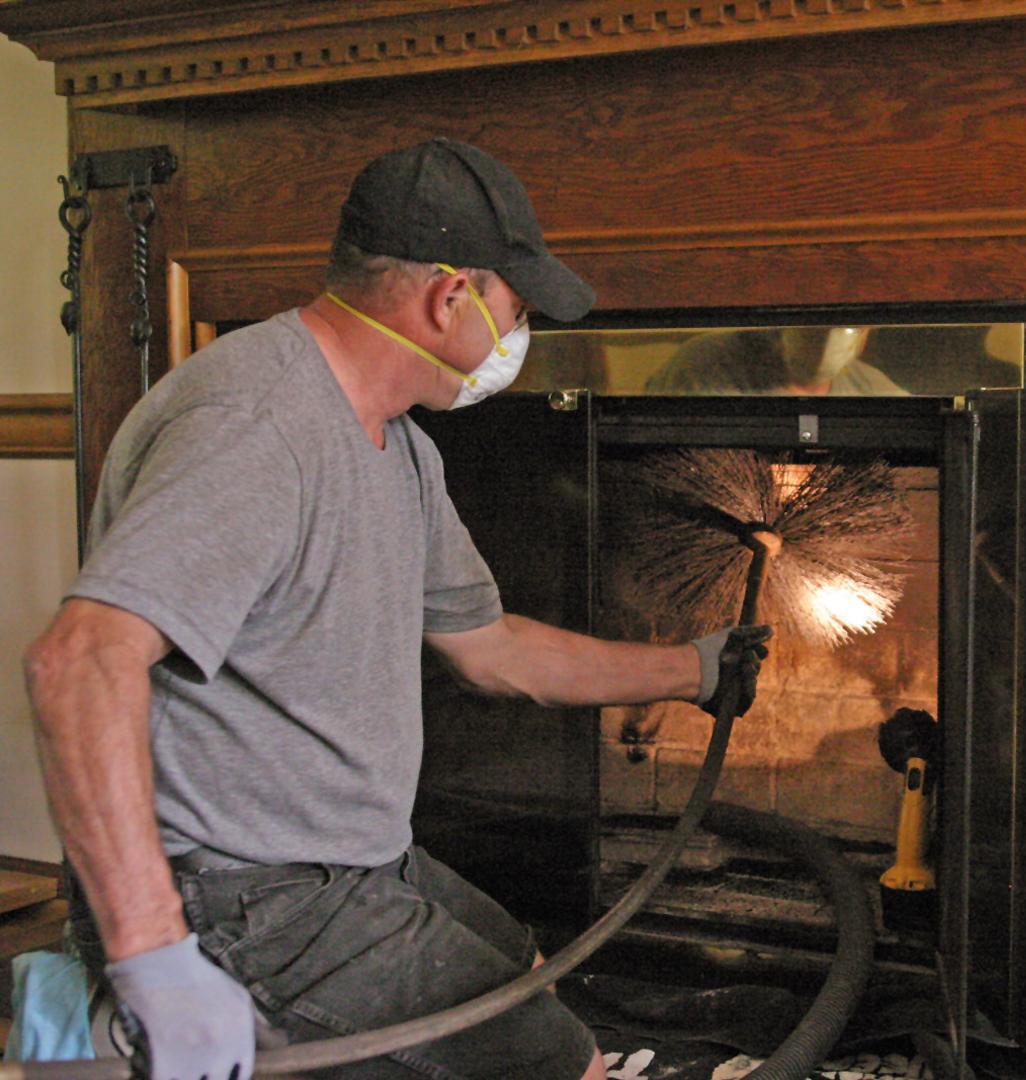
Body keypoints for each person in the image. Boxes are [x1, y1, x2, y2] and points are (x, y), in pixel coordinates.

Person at [23, 138, 771, 1080]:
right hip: (236, 895)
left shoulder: (398, 449)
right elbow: (77, 662)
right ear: (449, 297)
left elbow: (494, 649)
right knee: (549, 1060)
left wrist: (697, 670)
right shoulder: (258, 426)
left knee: (526, 975)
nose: (519, 333)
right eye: (517, 306)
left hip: (349, 865)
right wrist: (155, 960)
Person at [646, 325, 908, 396]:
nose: (828, 339)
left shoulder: (873, 389)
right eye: (814, 326)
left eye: (852, 326)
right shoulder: (706, 365)